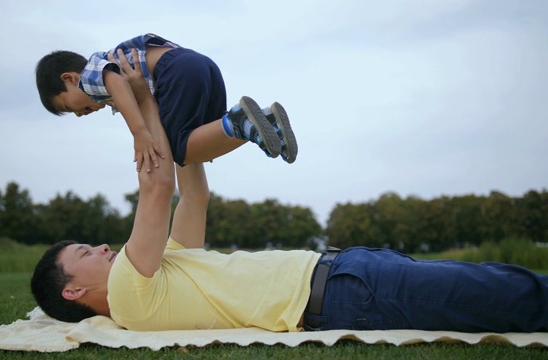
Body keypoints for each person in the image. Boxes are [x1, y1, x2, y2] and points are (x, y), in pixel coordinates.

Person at [31, 49, 548, 334]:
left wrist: (166, 119)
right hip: (340, 294)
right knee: (504, 294)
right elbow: (159, 185)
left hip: (340, 270)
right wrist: (141, 111)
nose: (101, 246)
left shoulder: (159, 272)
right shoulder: (128, 291)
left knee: (494, 280)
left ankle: (236, 124)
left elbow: (193, 197)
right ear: (73, 291)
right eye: (84, 253)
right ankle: (237, 125)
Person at [35, 33, 298, 173]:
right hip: (200, 65)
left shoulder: (91, 76)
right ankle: (266, 123)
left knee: (178, 150)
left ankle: (240, 120)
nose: (79, 115)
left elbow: (117, 83)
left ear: (69, 78)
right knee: (200, 149)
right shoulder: (105, 76)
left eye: (69, 107)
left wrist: (139, 134)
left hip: (174, 71)